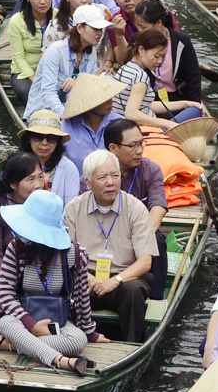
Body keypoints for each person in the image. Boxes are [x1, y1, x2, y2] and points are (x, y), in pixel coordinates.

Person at [0, 187, 111, 376]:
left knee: (78, 341)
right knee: (5, 323)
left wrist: (90, 332)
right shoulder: (16, 248)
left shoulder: (75, 254)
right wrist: (31, 325)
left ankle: (5, 345)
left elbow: (80, 298)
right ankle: (62, 361)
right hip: (19, 319)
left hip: (57, 322)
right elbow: (4, 294)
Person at [64, 147, 155, 343]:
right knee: (63, 286)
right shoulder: (73, 208)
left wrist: (115, 281)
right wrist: (86, 277)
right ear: (88, 182)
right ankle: (69, 342)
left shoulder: (135, 209)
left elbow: (145, 261)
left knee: (134, 292)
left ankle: (132, 346)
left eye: (115, 175)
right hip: (84, 276)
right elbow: (65, 254)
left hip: (124, 277)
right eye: (103, 177)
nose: (110, 182)